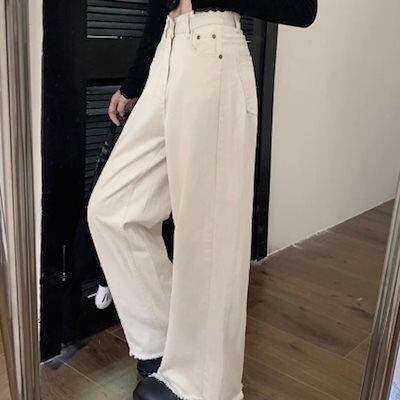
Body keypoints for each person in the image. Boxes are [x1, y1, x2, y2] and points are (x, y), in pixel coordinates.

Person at [87, 0, 317, 399]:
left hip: (214, 52)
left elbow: (302, 9)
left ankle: (206, 388)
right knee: (113, 209)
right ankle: (164, 346)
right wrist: (134, 83)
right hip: (167, 52)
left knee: (209, 238)